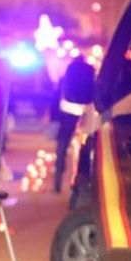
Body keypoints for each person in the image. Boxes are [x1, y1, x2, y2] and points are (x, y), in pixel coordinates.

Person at [52, 50, 95, 194]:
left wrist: (54, 117)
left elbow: (57, 95)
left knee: (62, 146)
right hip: (85, 112)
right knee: (84, 147)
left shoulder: (69, 72)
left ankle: (58, 179)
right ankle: (80, 184)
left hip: (67, 112)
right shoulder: (89, 70)